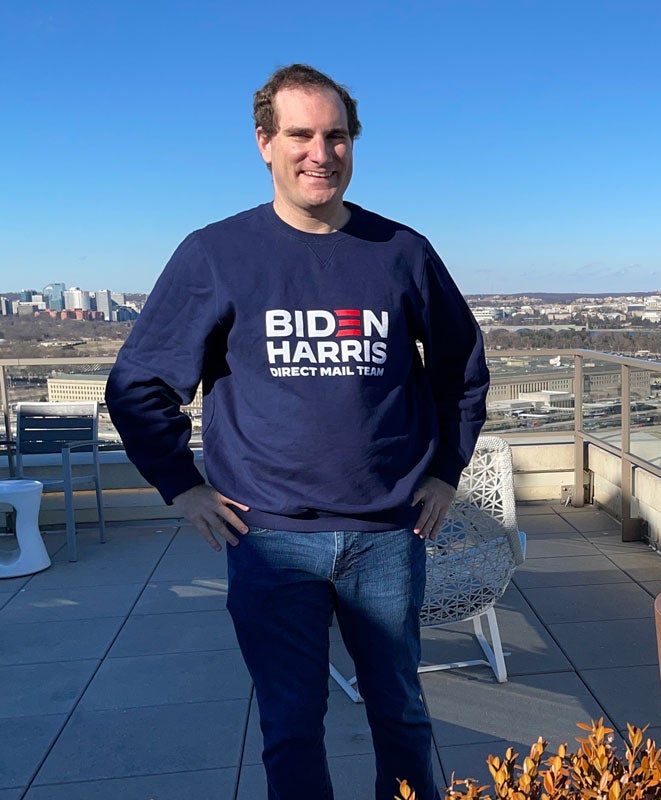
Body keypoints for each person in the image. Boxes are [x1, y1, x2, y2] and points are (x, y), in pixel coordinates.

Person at [106, 63, 489, 800]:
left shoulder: (401, 252)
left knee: (402, 717)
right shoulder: (217, 254)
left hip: (386, 534)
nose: (321, 152)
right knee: (290, 723)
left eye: (336, 135)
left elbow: (460, 370)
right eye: (301, 134)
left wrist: (446, 470)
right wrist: (181, 487)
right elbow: (142, 384)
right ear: (264, 143)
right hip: (270, 537)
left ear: (354, 144)